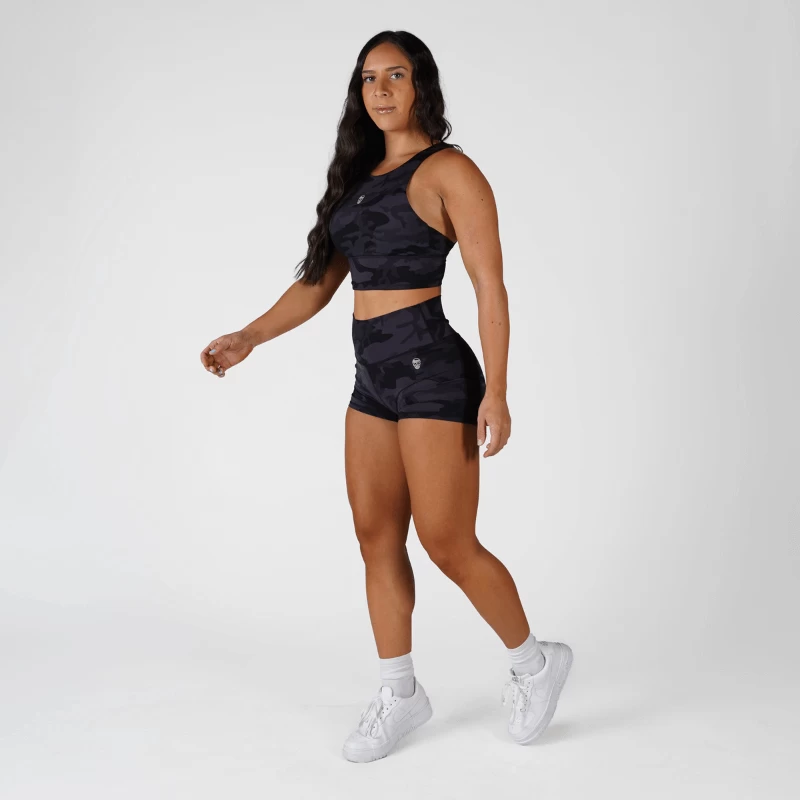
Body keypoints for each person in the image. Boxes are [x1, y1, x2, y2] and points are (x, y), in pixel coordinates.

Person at [200, 30, 572, 763]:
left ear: (421, 84)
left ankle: (535, 663)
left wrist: (498, 391)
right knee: (375, 536)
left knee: (447, 541)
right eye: (369, 78)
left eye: (395, 75)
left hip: (433, 370)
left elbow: (490, 288)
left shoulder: (450, 170)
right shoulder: (359, 175)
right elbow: (318, 282)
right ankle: (400, 692)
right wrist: (249, 336)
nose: (380, 89)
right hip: (371, 375)